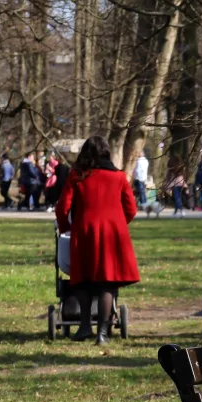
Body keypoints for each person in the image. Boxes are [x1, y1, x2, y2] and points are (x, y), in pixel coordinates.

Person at [55, 136, 140, 345]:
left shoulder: (78, 176)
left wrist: (66, 228)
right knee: (107, 283)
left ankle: (85, 326)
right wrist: (118, 223)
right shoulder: (119, 177)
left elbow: (62, 207)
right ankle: (102, 333)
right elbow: (131, 209)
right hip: (112, 234)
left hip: (84, 231)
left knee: (82, 280)